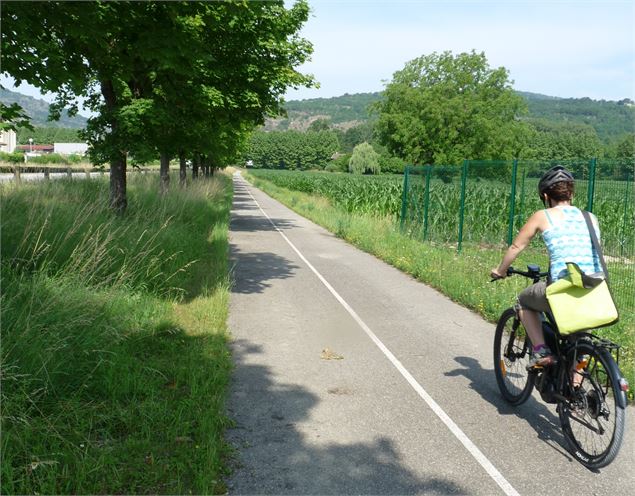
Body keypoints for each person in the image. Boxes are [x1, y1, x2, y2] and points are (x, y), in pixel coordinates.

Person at [490, 165, 601, 368]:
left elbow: (516, 246)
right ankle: (576, 390)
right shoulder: (590, 217)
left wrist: (500, 271)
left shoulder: (543, 215)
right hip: (593, 291)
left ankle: (541, 351)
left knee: (523, 301)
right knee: (577, 344)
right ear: (571, 193)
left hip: (563, 289)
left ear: (545, 194)